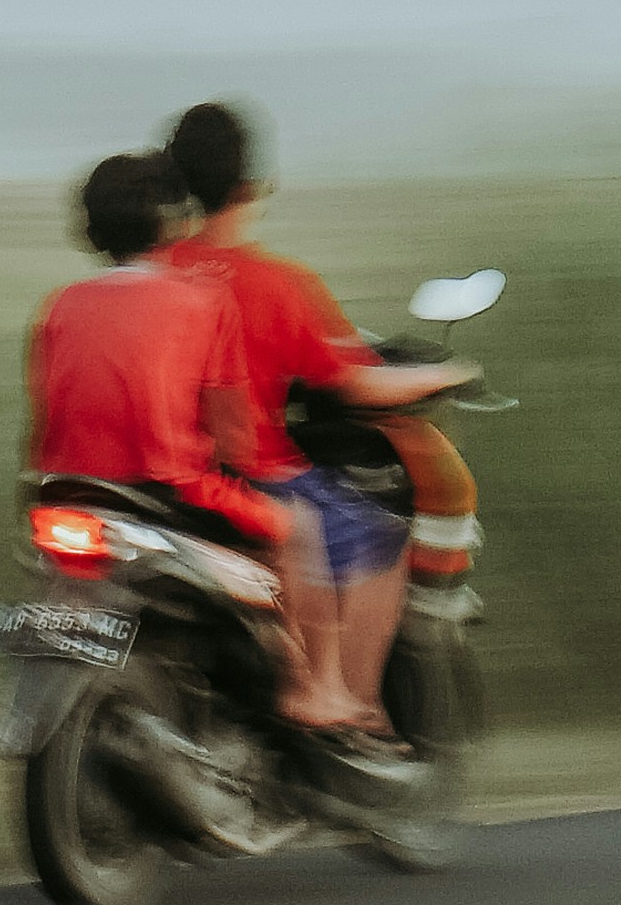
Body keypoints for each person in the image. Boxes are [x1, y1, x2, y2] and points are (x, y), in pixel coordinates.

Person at [154, 101, 471, 743]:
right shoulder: (281, 284)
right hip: (249, 477)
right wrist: (447, 374)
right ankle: (348, 706)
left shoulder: (147, 274)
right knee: (383, 538)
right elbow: (356, 381)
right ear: (251, 188)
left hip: (154, 478)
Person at [16, 151, 281, 555]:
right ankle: (300, 623)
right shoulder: (205, 302)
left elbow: (42, 423)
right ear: (172, 223)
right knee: (296, 529)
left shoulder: (59, 305)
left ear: (92, 230)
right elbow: (234, 437)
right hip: (170, 495)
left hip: (67, 497)